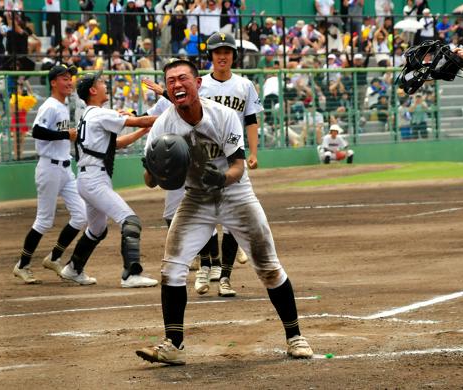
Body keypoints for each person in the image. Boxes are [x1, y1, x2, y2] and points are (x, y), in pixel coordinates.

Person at [135, 58, 313, 365]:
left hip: (236, 194)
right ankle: (173, 345)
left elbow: (237, 167)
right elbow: (151, 182)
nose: (177, 85)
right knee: (172, 269)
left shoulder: (224, 115)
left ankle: (295, 336)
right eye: (171, 81)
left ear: (198, 83)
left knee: (269, 268)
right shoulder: (163, 125)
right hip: (196, 198)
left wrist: (222, 177)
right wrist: (155, 169)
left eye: (183, 78)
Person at [144, 32, 261, 296]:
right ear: (210, 56)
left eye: (227, 51)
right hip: (195, 160)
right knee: (195, 214)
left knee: (232, 221)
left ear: (233, 56)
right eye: (217, 51)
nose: (222, 56)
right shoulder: (198, 84)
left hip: (230, 154)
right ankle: (209, 266)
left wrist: (252, 152)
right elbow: (174, 107)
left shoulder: (244, 86)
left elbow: (251, 119)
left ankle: (225, 275)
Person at [63, 71, 159, 288]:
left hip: (90, 178)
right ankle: (131, 274)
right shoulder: (99, 114)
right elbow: (138, 119)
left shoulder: (88, 116)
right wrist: (170, 116)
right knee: (130, 220)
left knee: (97, 229)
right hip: (94, 179)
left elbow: (116, 144)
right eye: (102, 83)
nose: (106, 85)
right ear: (92, 90)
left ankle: (73, 268)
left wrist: (144, 131)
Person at [12, 65, 88, 285]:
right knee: (44, 221)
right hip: (49, 168)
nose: (69, 81)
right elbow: (36, 131)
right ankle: (22, 265)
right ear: (53, 82)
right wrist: (65, 133)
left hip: (65, 168)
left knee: (81, 216)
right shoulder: (50, 106)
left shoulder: (63, 106)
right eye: (64, 78)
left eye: (70, 78)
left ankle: (54, 257)